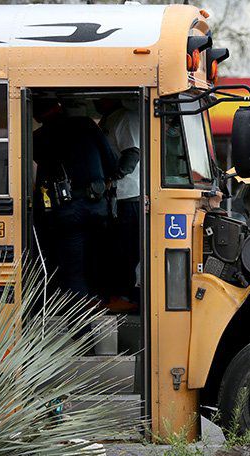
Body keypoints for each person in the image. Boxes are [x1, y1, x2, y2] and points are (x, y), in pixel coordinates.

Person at [33, 98, 118, 297]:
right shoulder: (87, 125)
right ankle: (102, 304)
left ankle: (80, 327)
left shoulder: (38, 138)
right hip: (97, 207)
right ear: (59, 107)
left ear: (36, 116)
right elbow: (112, 163)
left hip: (67, 212)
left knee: (73, 271)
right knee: (98, 262)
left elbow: (43, 177)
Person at [96, 97, 141, 312]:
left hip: (129, 195)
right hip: (118, 197)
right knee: (116, 249)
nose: (97, 100)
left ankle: (126, 296)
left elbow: (132, 154)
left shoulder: (124, 117)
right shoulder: (109, 119)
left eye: (100, 96)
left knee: (127, 249)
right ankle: (116, 294)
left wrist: (110, 179)